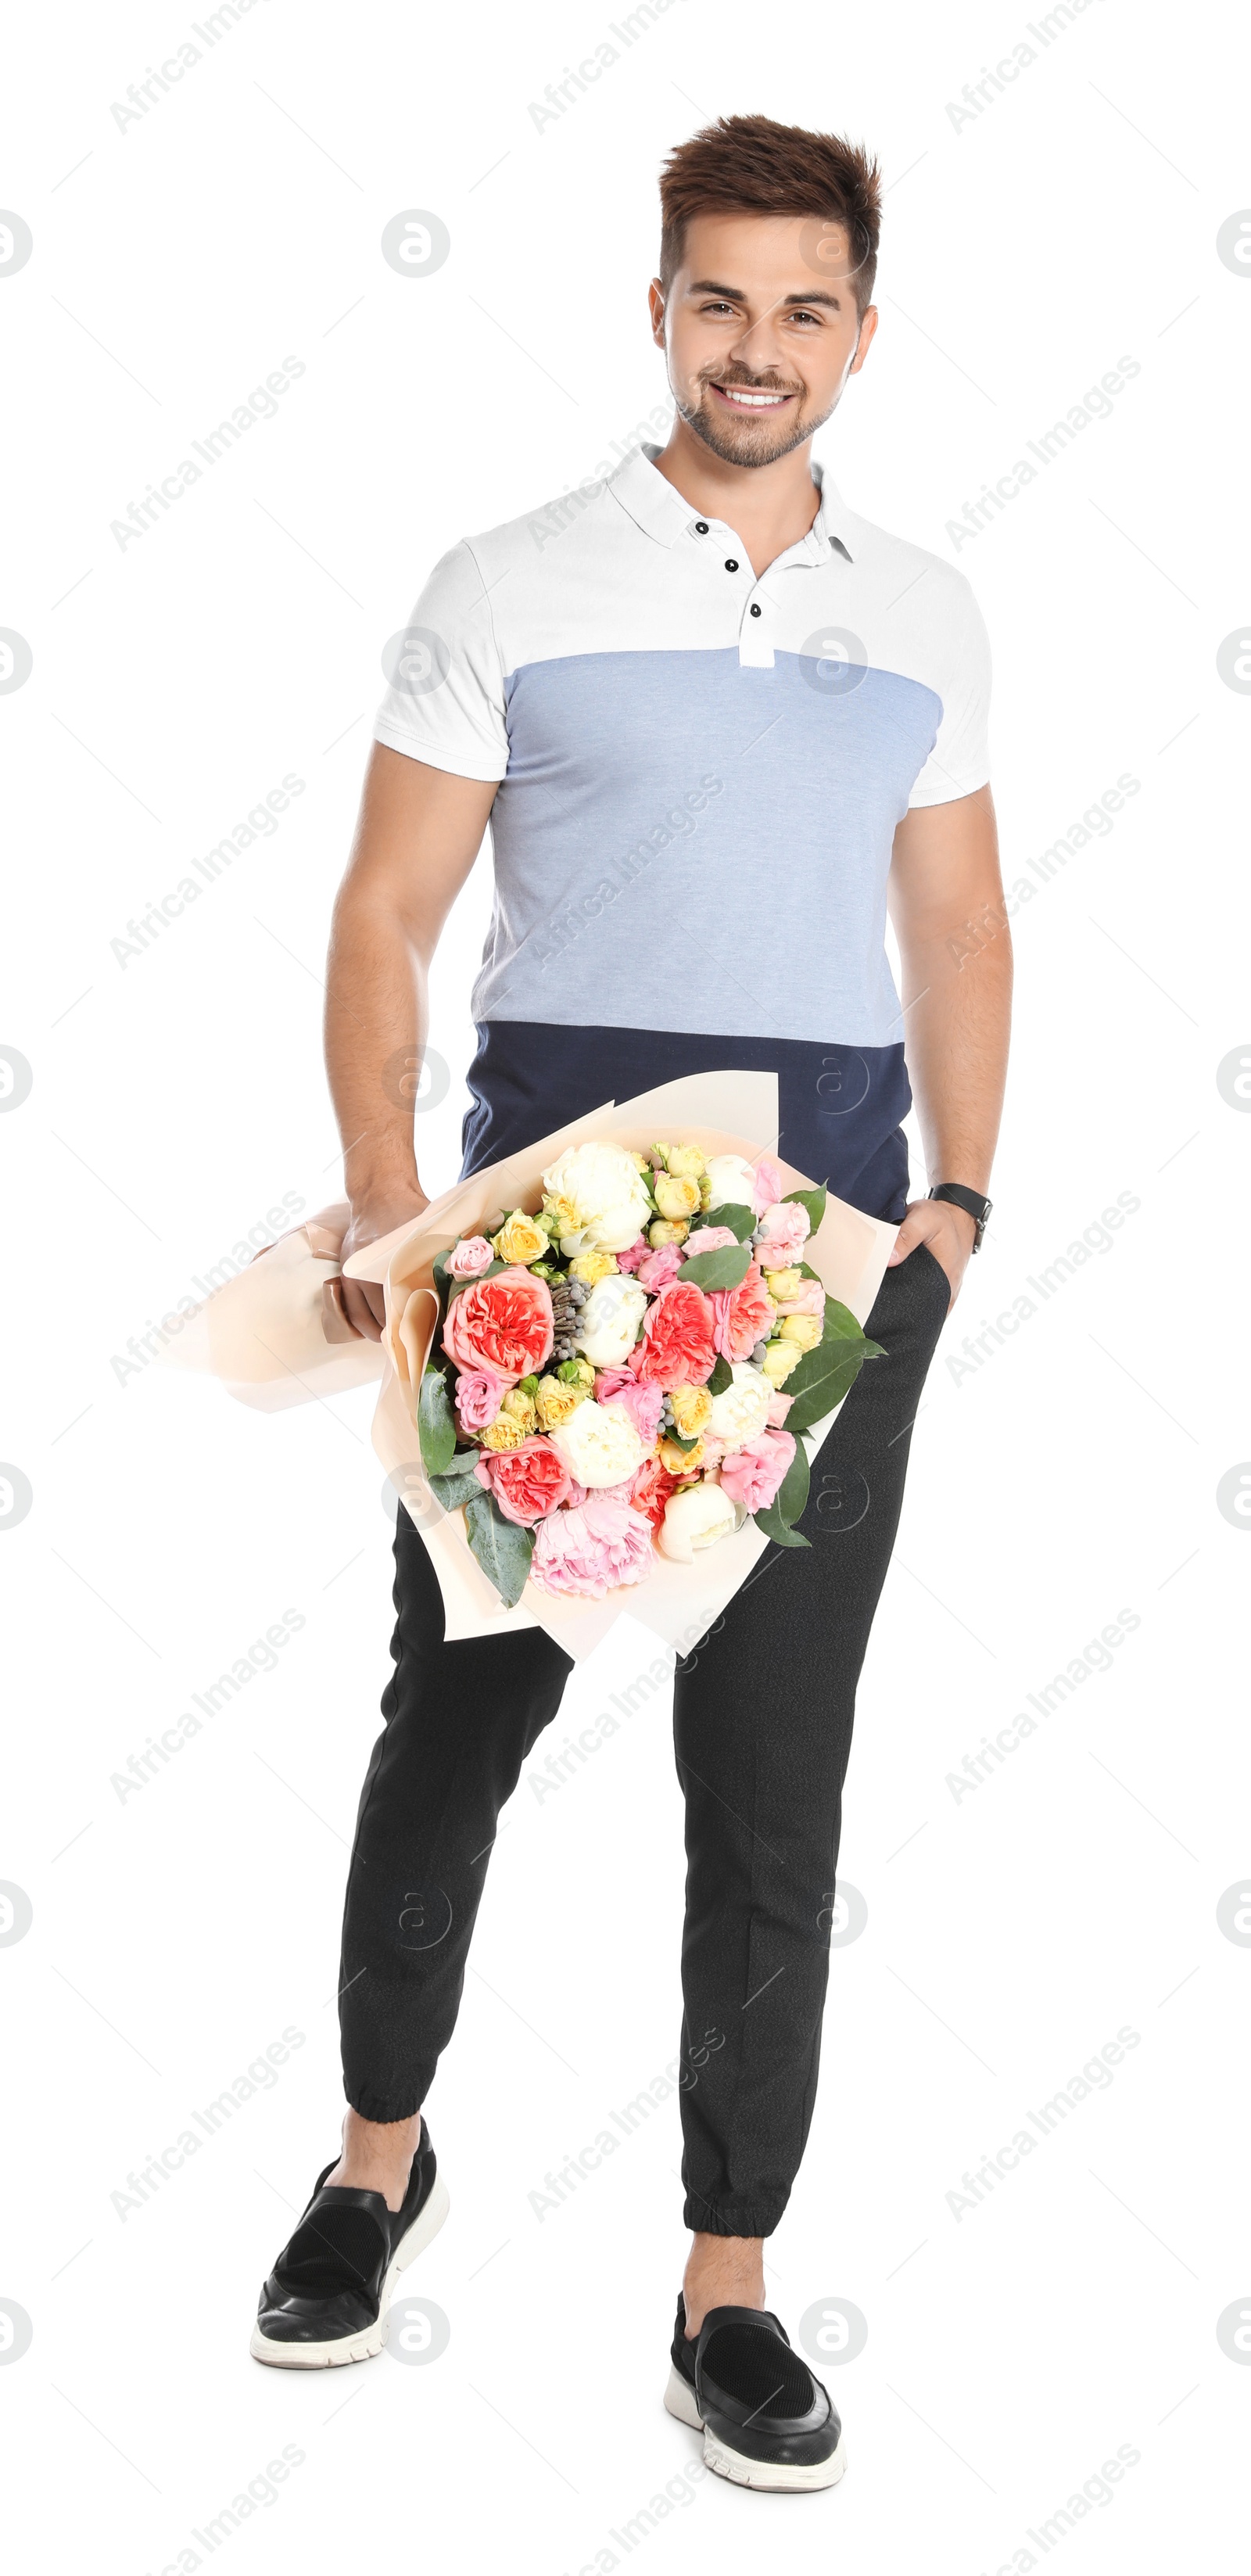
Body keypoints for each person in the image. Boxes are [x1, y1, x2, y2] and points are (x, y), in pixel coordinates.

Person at [251, 110, 1010, 2493]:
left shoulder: (934, 613)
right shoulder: (508, 578)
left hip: (829, 1281)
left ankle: (729, 2290)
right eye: (719, 301)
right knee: (454, 1724)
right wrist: (392, 1208)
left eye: (806, 306)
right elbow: (383, 920)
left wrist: (958, 1213)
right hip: (542, 1272)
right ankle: (378, 2165)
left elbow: (962, 928)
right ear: (658, 311)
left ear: (860, 331)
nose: (758, 346)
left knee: (770, 1788)